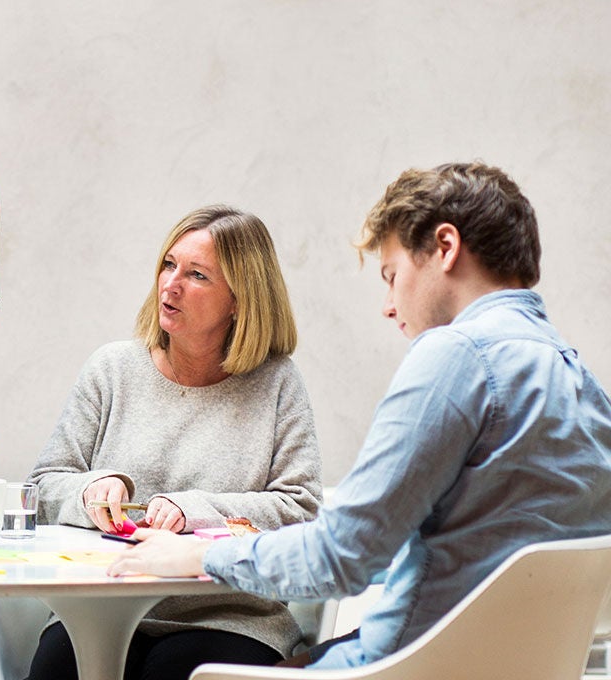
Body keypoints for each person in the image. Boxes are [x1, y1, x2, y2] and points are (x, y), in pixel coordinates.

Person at [108, 162, 611, 670]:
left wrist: (195, 557)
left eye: (392, 275)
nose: (389, 306)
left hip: (407, 665)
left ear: (445, 247)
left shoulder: (457, 357)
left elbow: (342, 558)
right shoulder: (582, 385)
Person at [26, 205, 323, 680]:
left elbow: (301, 510)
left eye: (197, 275)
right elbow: (41, 488)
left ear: (239, 300)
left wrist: (195, 511)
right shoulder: (113, 369)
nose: (171, 285)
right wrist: (92, 491)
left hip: (230, 615)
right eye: (169, 265)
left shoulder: (277, 383)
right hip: (102, 607)